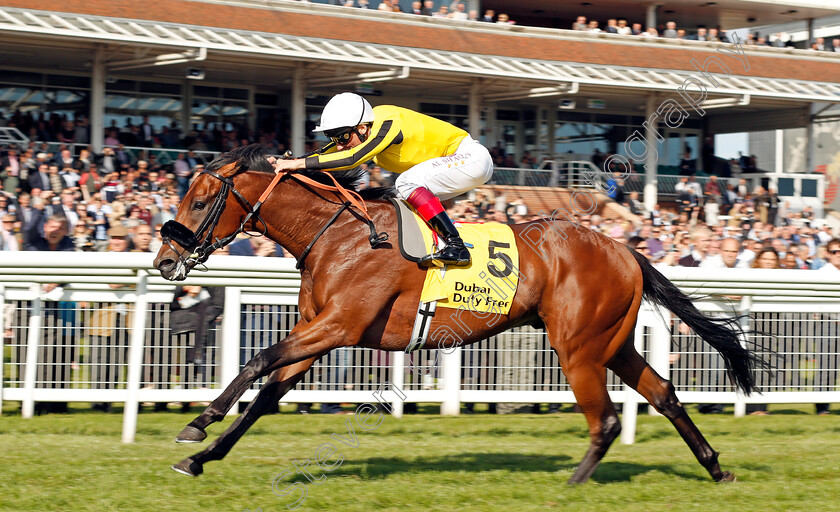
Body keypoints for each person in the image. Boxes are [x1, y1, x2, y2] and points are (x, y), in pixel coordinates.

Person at [270, 92, 493, 267]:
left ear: (362, 127)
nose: (340, 144)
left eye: (343, 136)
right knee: (397, 201)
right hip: (458, 164)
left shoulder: (387, 121)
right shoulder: (366, 134)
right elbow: (327, 152)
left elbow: (352, 157)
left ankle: (456, 246)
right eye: (335, 138)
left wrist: (298, 164)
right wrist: (287, 162)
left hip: (471, 157)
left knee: (406, 183)